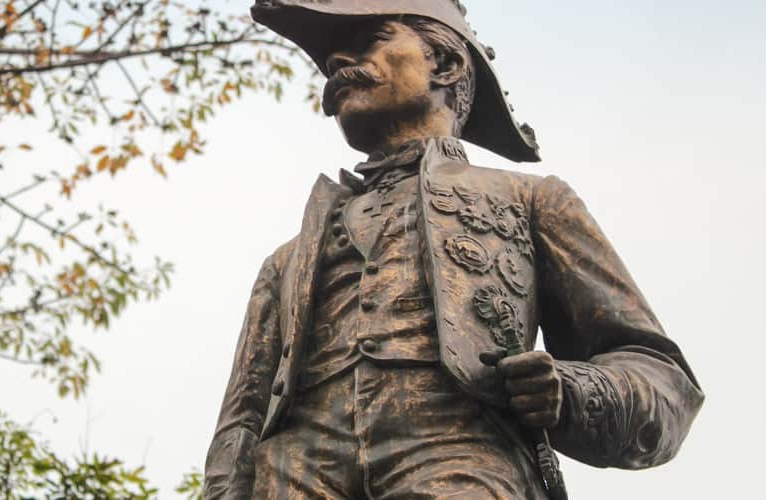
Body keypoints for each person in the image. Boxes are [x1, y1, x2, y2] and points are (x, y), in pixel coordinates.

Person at [203, 1, 704, 498]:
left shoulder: (530, 200)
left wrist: (567, 391)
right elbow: (241, 420)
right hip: (291, 478)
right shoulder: (286, 262)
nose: (337, 62)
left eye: (370, 40)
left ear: (444, 64)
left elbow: (661, 376)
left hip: (465, 468)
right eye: (334, 55)